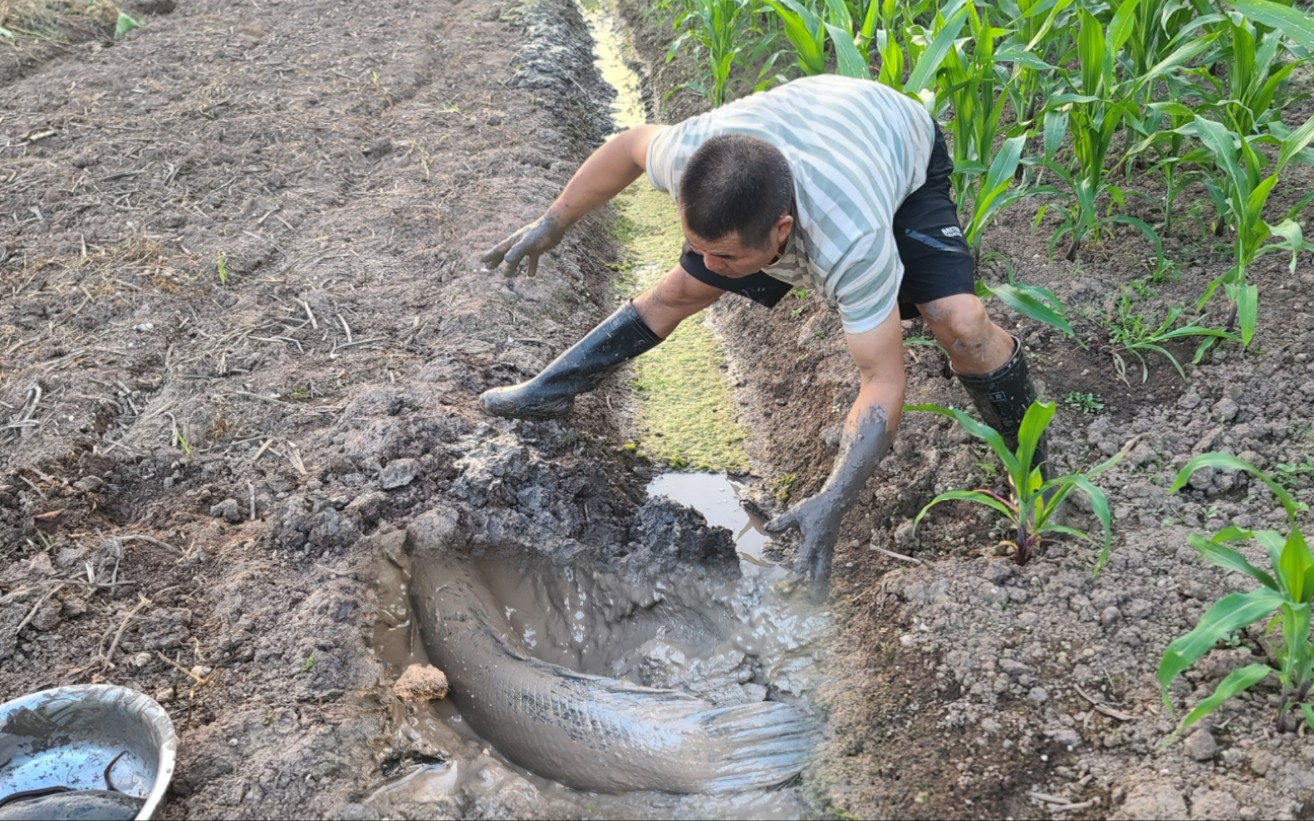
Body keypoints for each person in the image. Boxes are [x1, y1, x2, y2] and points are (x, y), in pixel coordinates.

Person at [479, 74, 1049, 599]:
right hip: (810, 127)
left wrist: (833, 498)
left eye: (725, 256)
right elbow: (629, 146)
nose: (709, 264)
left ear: (782, 232)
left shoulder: (851, 241)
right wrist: (554, 222)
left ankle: (1032, 467)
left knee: (958, 321)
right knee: (679, 291)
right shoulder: (691, 156)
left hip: (893, 139)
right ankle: (550, 391)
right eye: (697, 246)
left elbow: (881, 379)